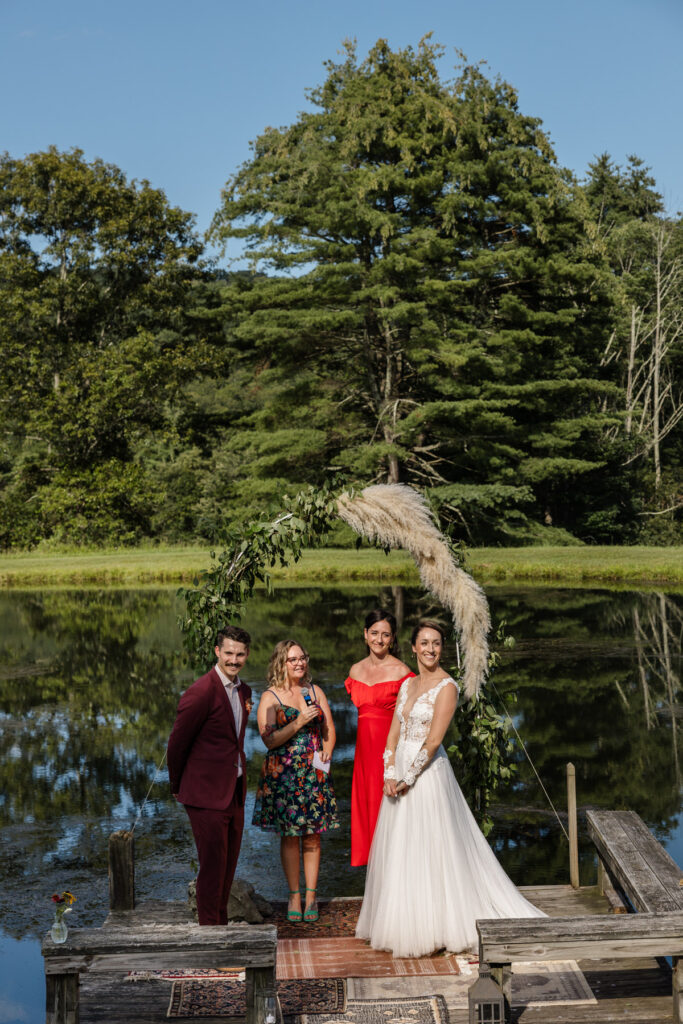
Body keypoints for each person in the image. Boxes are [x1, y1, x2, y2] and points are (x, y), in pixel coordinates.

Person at [356, 620, 544, 957]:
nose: (430, 649)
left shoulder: (447, 687)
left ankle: (438, 925)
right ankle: (405, 920)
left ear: (442, 648)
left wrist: (407, 779)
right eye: (424, 643)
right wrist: (388, 772)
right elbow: (393, 733)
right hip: (397, 773)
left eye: (437, 643)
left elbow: (434, 740)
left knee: (431, 849)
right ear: (413, 647)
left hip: (426, 776)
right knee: (402, 850)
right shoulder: (407, 684)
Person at [167, 625, 252, 926]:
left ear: (247, 655)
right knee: (212, 868)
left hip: (235, 790)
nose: (234, 659)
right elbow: (176, 745)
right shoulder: (200, 693)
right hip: (205, 794)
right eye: (228, 653)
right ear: (217, 652)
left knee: (228, 867)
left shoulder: (244, 691)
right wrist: (176, 786)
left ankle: (221, 929)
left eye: (240, 654)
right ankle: (210, 937)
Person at [252, 639, 339, 922]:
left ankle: (312, 896)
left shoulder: (315, 691)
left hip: (314, 773)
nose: (300, 663)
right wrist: (299, 722)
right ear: (281, 663)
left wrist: (326, 753)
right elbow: (269, 740)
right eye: (293, 659)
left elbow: (328, 730)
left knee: (313, 835)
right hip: (284, 775)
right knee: (290, 837)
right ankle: (294, 895)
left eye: (303, 657)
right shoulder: (270, 697)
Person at [345, 609, 414, 866]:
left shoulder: (402, 672)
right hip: (363, 756)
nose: (379, 639)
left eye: (385, 635)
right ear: (365, 635)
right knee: (368, 813)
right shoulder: (355, 671)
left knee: (392, 813)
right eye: (374, 633)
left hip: (389, 752)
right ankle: (375, 884)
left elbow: (412, 722)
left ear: (393, 638)